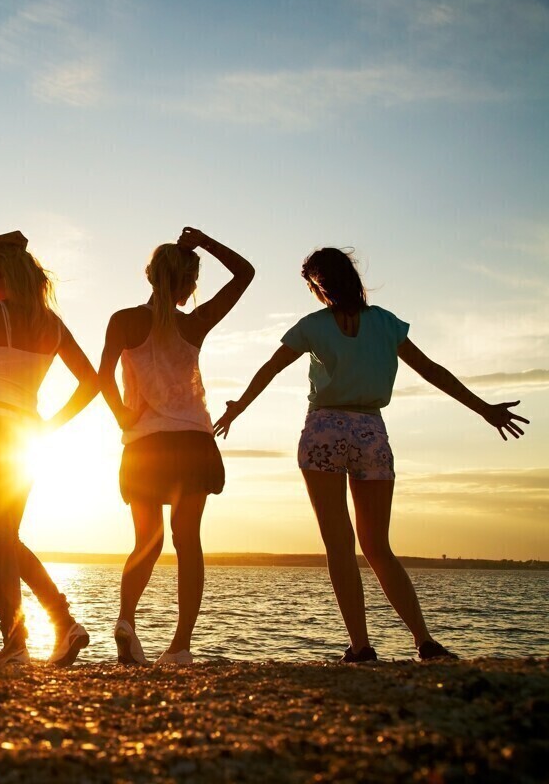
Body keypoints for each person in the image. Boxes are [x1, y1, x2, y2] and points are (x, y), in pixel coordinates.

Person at [214, 247, 529, 662]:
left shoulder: (312, 325)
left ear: (316, 285)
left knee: (339, 544)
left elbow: (270, 368)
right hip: (371, 432)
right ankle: (425, 641)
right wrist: (484, 410)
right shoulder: (386, 323)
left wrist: (239, 406)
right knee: (378, 545)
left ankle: (361, 647)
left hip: (324, 428)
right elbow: (432, 370)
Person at [0, 231, 99, 666]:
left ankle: (17, 643)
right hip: (25, 437)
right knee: (4, 538)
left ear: (3, 276)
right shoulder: (52, 326)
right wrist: (48, 425)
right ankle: (62, 624)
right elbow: (92, 383)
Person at [98, 227, 254, 665]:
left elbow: (102, 376)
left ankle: (126, 620)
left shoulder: (123, 319)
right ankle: (180, 646)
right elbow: (245, 273)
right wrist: (203, 241)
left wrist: (121, 415)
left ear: (150, 276)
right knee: (187, 541)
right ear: (186, 284)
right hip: (190, 442)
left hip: (144, 444)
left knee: (147, 540)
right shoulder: (195, 323)